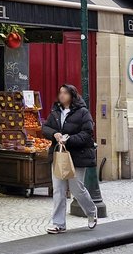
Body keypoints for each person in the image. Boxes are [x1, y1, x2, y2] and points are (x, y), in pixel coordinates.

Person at [41, 84, 98, 232]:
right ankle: (58, 224)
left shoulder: (83, 112)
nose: (61, 95)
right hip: (59, 155)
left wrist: (69, 139)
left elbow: (87, 133)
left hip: (77, 156)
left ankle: (91, 212)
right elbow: (45, 128)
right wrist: (54, 134)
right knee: (58, 190)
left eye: (65, 93)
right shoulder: (55, 111)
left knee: (76, 189)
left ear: (72, 95)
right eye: (60, 92)